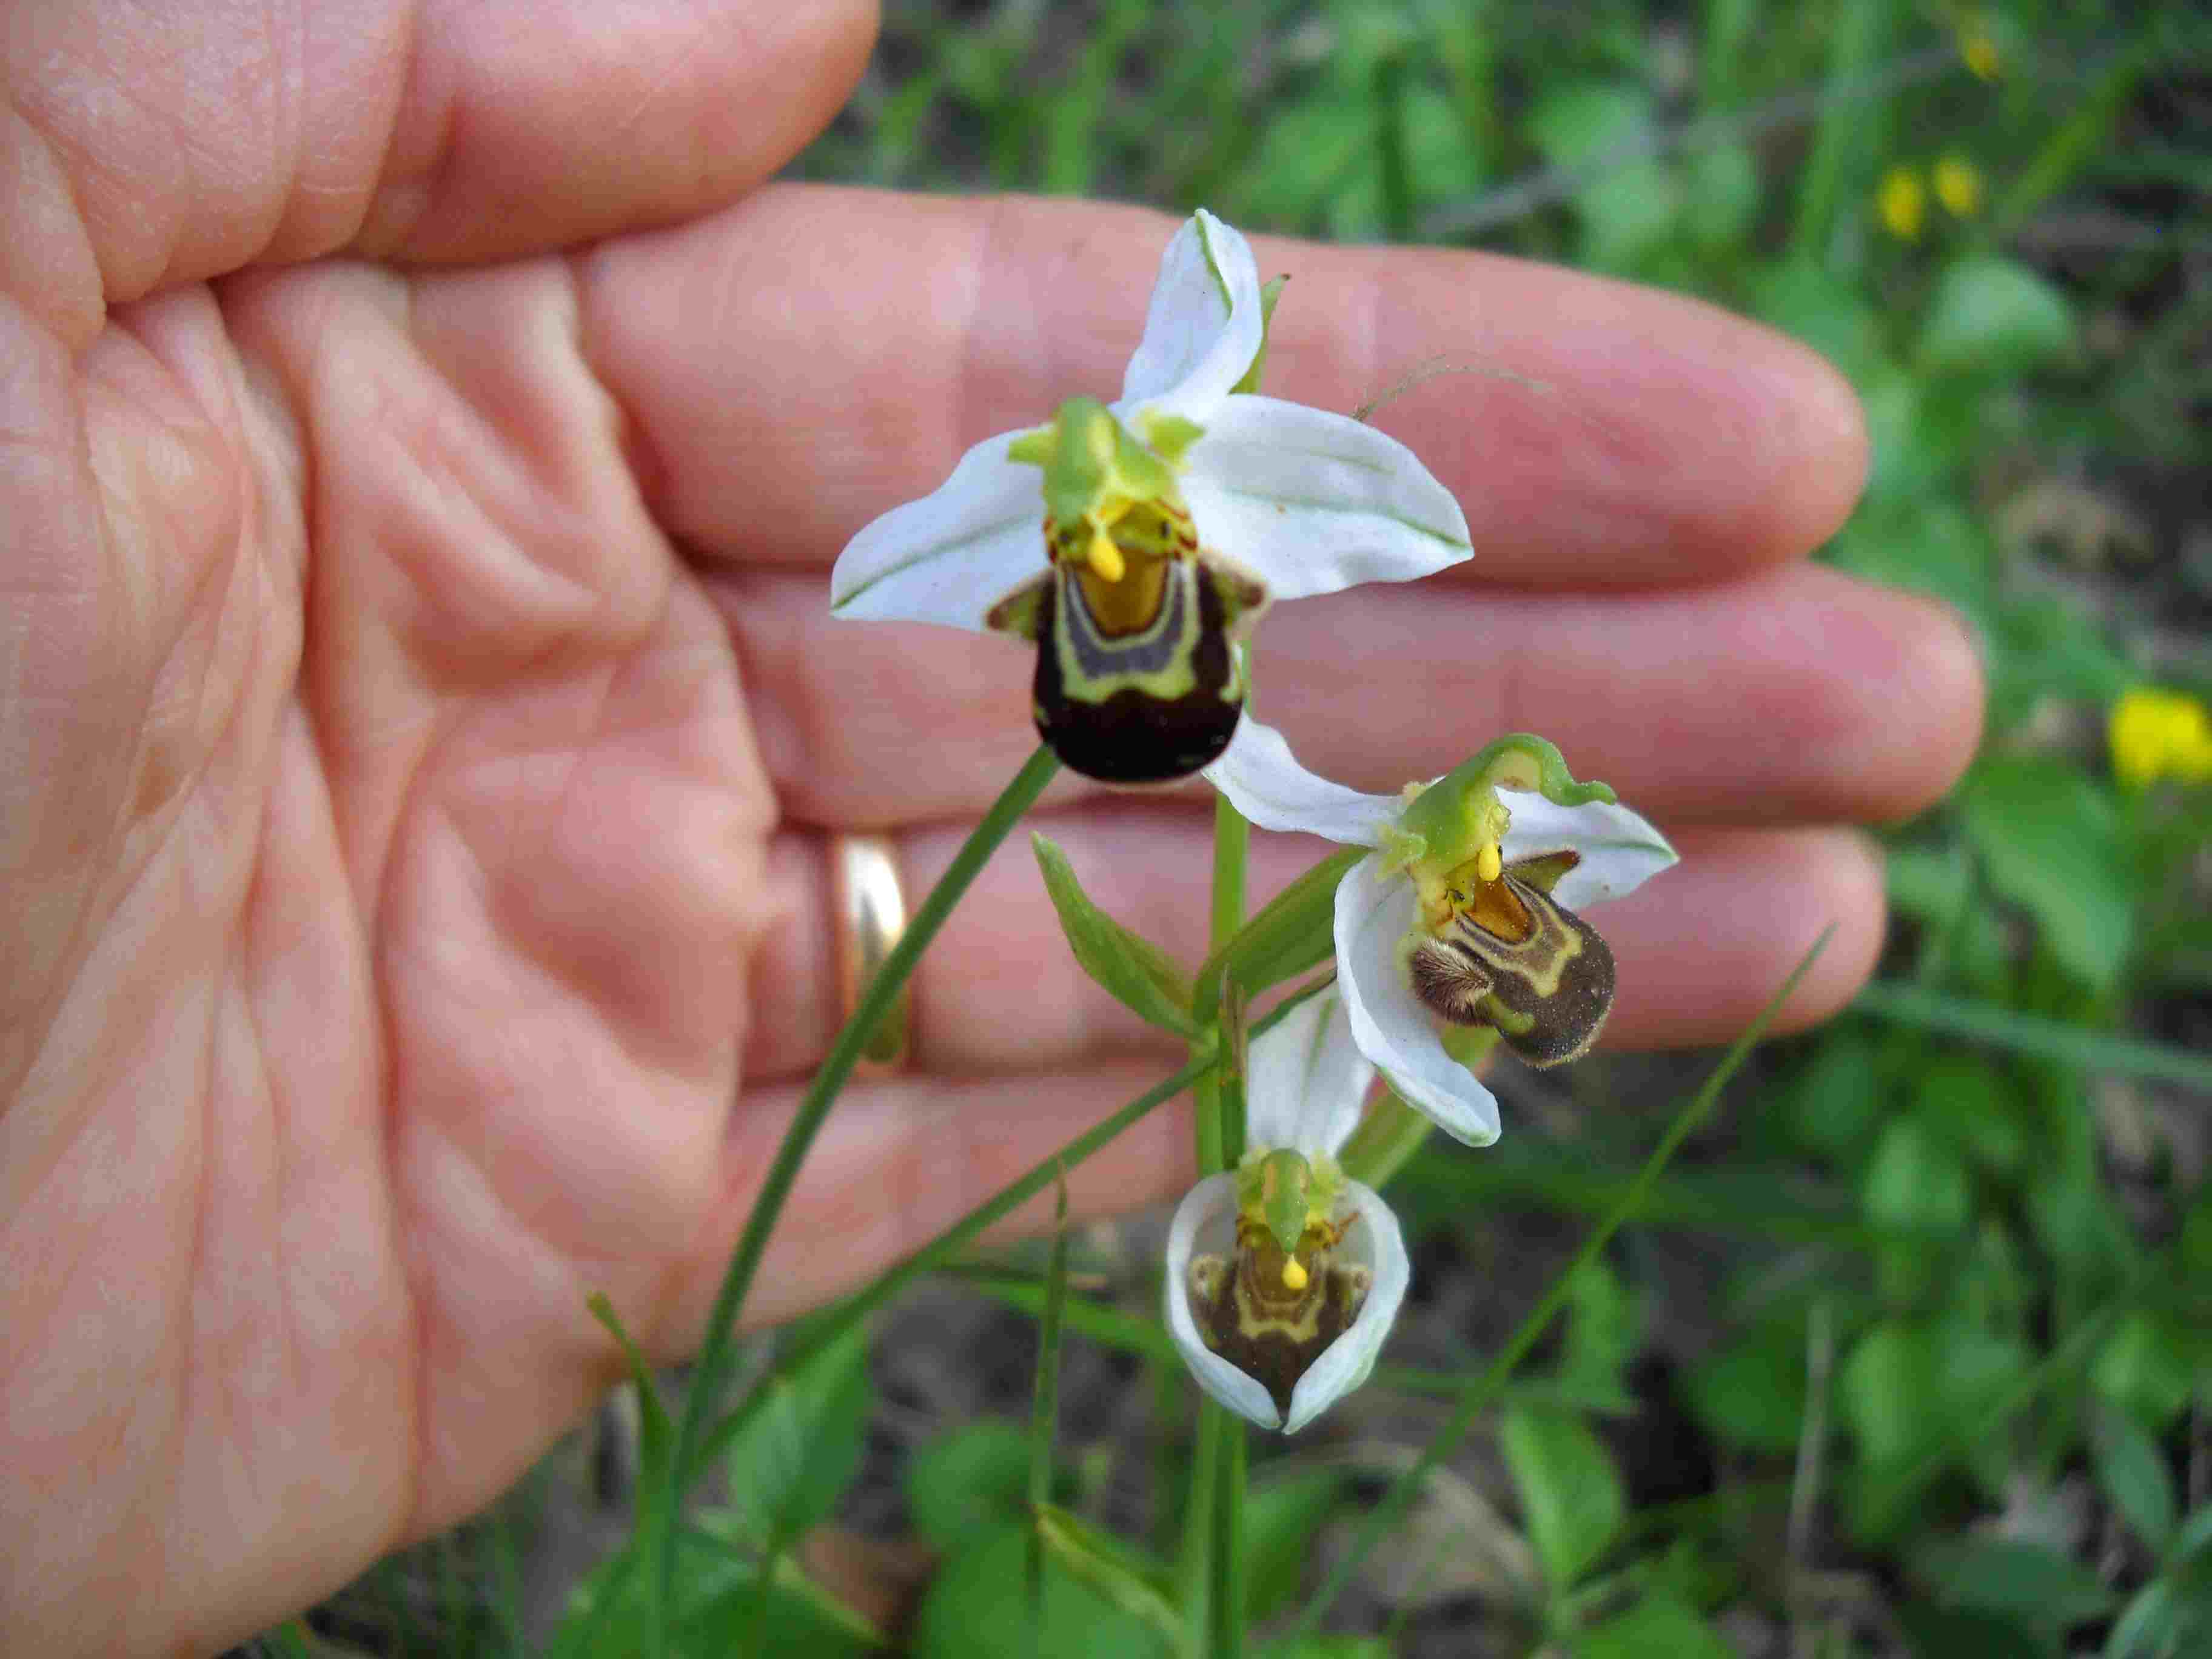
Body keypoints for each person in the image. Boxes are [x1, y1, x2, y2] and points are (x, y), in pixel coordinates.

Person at [0, 2, 1983, 1652]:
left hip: (1309, 920)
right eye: (1100, 541)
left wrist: (1418, 906)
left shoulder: (1337, 764)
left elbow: (1387, 527)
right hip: (1273, 875)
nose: (1117, 553)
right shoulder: (1069, 547)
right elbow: (908, 569)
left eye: (1133, 542)